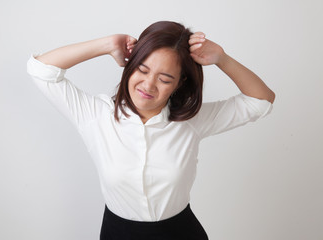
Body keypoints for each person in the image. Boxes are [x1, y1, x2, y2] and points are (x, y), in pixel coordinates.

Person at [27, 21, 275, 240]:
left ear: (179, 84)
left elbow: (261, 101)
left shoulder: (191, 121)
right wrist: (107, 44)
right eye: (142, 70)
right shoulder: (96, 115)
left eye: (165, 79)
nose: (148, 85)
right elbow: (41, 70)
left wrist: (223, 59)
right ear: (130, 65)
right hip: (117, 234)